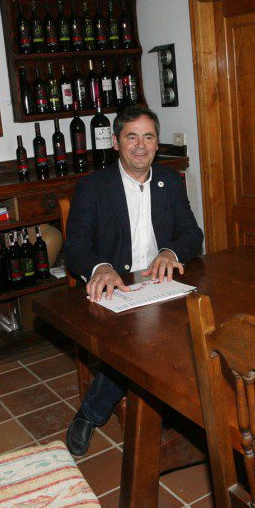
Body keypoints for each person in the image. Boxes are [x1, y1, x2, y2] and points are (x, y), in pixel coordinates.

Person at [63, 104, 203, 456]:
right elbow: (75, 246)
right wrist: (101, 268)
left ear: (157, 144)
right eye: (131, 137)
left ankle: (186, 412)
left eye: (148, 137)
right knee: (136, 346)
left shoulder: (169, 180)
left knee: (200, 331)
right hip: (118, 288)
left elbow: (191, 233)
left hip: (161, 284)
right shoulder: (93, 187)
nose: (140, 145)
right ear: (116, 142)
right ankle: (90, 414)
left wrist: (171, 252)